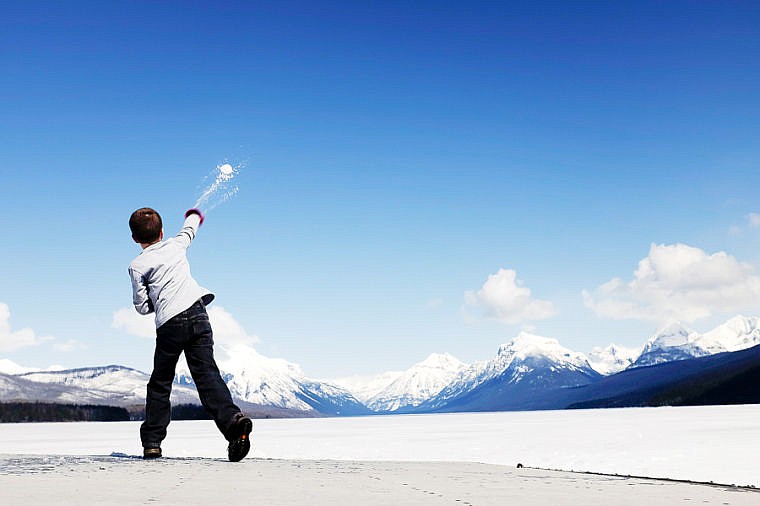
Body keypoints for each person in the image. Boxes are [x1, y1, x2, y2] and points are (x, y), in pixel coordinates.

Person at [128, 207, 252, 461]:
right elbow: (189, 230)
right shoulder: (176, 245)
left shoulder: (137, 265)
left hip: (169, 325)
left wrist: (157, 301)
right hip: (198, 314)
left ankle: (152, 442)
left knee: (160, 383)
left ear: (134, 239)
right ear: (162, 232)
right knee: (207, 375)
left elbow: (141, 306)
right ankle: (233, 423)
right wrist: (194, 214)